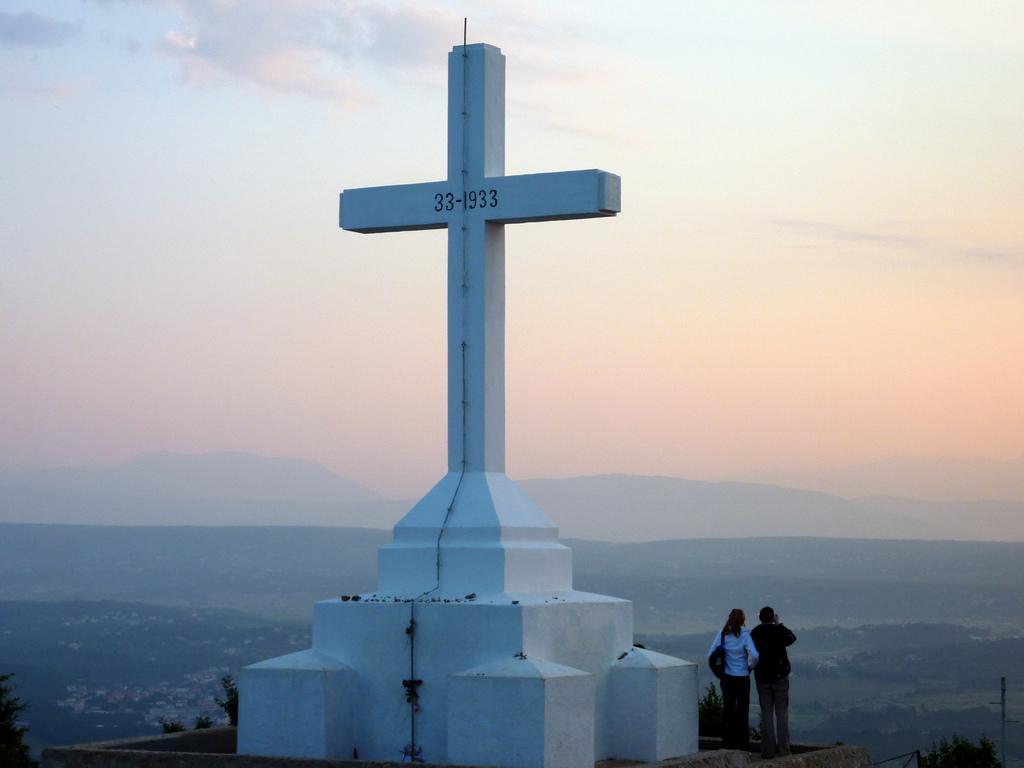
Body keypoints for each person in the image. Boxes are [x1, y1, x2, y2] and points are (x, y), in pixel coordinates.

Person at [708, 608, 759, 750]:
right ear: (743, 621)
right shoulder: (746, 635)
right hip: (742, 678)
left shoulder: (722, 635)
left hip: (727, 678)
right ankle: (743, 745)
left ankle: (727, 744)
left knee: (728, 711)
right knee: (742, 712)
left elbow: (711, 653)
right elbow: (754, 655)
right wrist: (750, 667)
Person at [750, 606, 797, 759]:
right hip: (779, 676)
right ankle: (784, 751)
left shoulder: (755, 632)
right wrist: (780, 624)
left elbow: (750, 652)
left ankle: (768, 751)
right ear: (773, 618)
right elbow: (791, 638)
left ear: (760, 618)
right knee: (782, 715)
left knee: (766, 715)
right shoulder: (778, 631)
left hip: (762, 677)